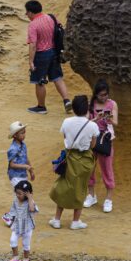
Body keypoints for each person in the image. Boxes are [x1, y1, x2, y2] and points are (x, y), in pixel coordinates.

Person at [48, 95, 99, 230]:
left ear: (74, 108)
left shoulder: (66, 121)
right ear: (87, 108)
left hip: (70, 158)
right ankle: (75, 221)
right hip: (85, 159)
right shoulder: (93, 125)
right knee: (81, 188)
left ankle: (57, 220)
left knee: (64, 186)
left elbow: (66, 139)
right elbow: (93, 145)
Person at [24, 0, 71, 115]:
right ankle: (66, 101)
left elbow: (33, 45)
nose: (26, 14)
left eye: (26, 12)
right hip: (54, 52)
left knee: (39, 81)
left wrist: (31, 61)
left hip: (41, 55)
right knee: (57, 78)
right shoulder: (51, 17)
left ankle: (41, 107)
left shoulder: (33, 25)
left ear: (30, 12)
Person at [85, 79, 118, 213]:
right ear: (96, 94)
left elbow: (115, 122)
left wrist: (108, 118)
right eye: (101, 95)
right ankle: (91, 195)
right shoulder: (91, 104)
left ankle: (108, 199)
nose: (103, 97)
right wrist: (96, 119)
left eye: (105, 94)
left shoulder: (112, 104)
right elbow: (86, 122)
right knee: (89, 168)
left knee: (107, 169)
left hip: (105, 140)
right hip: (92, 139)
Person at [2, 121, 34, 227]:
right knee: (21, 195)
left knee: (21, 195)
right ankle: (11, 215)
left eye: (24, 132)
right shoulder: (13, 149)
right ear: (15, 135)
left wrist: (31, 170)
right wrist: (25, 167)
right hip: (15, 175)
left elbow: (26, 158)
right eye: (22, 133)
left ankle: (12, 215)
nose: (24, 135)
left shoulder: (23, 145)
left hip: (22, 175)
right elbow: (12, 165)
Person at [6, 180, 38, 261]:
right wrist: (9, 220)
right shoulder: (15, 201)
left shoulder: (30, 202)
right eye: (17, 193)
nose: (17, 195)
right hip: (17, 225)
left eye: (20, 193)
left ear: (27, 194)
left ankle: (26, 259)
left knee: (26, 244)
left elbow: (32, 210)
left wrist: (30, 198)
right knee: (12, 240)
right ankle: (15, 257)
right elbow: (12, 211)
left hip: (27, 227)